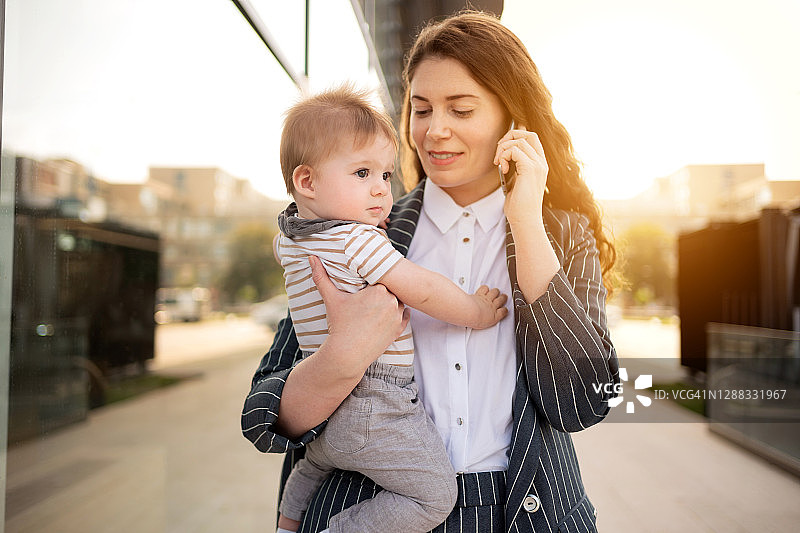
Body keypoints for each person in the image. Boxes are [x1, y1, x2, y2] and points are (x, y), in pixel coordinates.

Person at [242, 10, 620, 533]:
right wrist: (344, 354)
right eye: (421, 110)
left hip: (522, 514)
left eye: (461, 109)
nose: (435, 131)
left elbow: (582, 401)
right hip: (375, 509)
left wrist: (526, 222)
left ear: (511, 119)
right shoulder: (359, 233)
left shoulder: (561, 234)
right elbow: (265, 417)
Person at [271, 86, 509, 533]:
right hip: (377, 404)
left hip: (329, 412)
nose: (381, 191)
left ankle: (287, 525)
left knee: (311, 466)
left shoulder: (290, 240)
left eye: (384, 175)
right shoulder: (359, 240)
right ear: (307, 181)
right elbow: (420, 288)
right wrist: (476, 311)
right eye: (362, 173)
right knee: (435, 496)